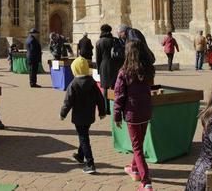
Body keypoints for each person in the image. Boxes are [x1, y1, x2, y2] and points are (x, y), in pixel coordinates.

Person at [114, 41, 156, 191]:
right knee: (139, 142)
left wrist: (116, 115)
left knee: (137, 147)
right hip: (145, 111)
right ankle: (134, 168)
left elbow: (119, 95)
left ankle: (146, 182)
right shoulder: (147, 70)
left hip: (133, 113)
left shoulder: (124, 72)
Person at [60, 56, 106, 174]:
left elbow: (68, 101)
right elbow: (100, 99)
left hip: (79, 117)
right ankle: (80, 155)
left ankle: (90, 163)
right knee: (84, 135)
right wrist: (102, 111)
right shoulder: (93, 83)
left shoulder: (73, 84)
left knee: (84, 138)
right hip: (89, 115)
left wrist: (63, 114)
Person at [95, 24, 119, 114]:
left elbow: (98, 58)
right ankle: (115, 107)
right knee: (114, 86)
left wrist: (98, 70)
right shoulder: (115, 40)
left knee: (105, 88)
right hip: (114, 65)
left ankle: (106, 108)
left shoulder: (99, 42)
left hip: (104, 65)